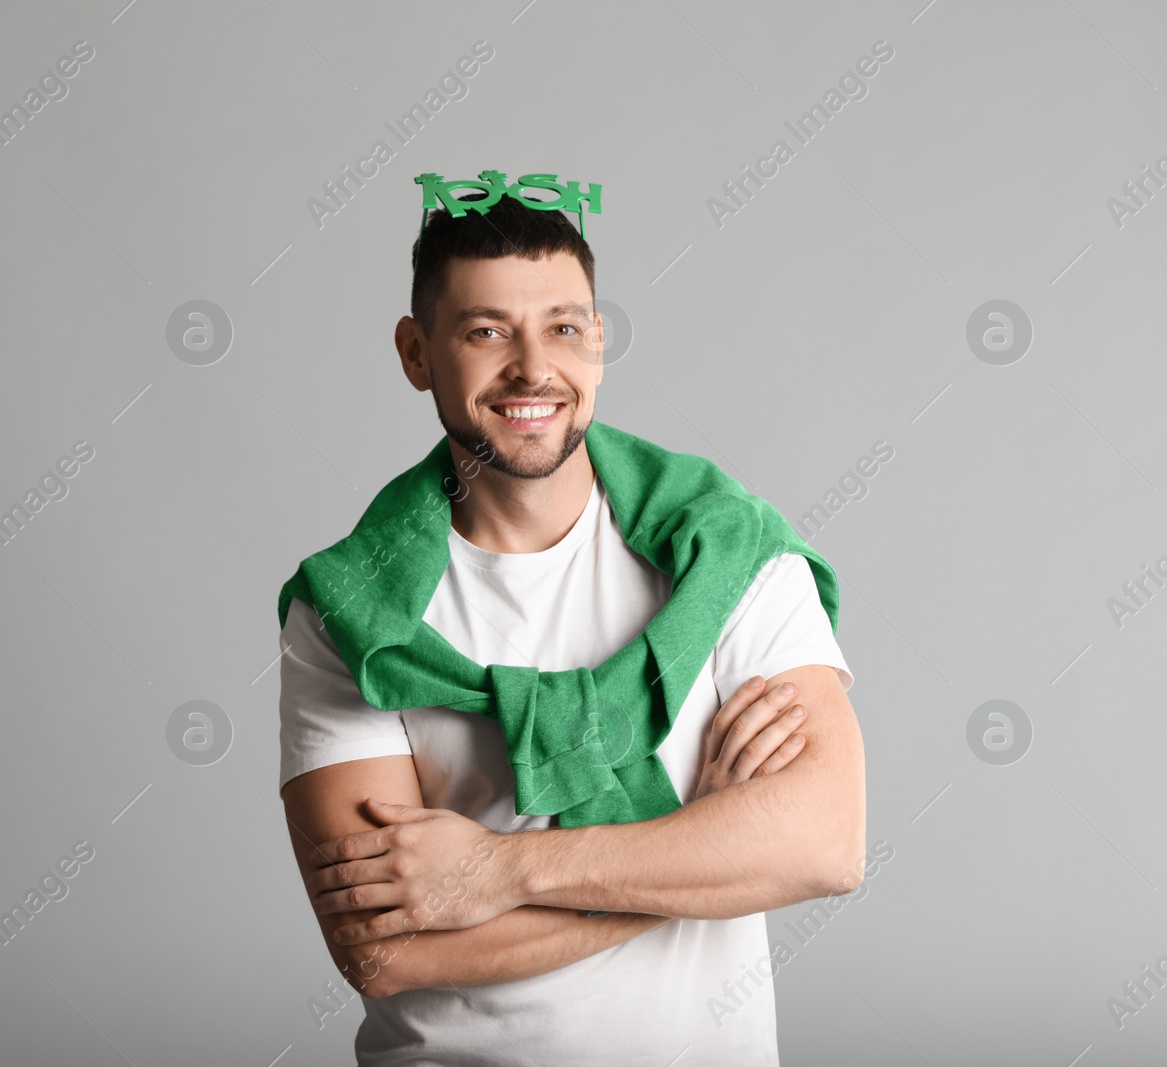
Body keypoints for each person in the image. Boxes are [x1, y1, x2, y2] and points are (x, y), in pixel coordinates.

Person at [274, 186, 866, 1065]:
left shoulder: (725, 548)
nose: (532, 369)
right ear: (416, 352)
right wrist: (700, 848)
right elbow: (383, 951)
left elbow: (824, 842)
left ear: (598, 339)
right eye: (485, 331)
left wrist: (498, 872)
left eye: (564, 327)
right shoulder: (348, 612)